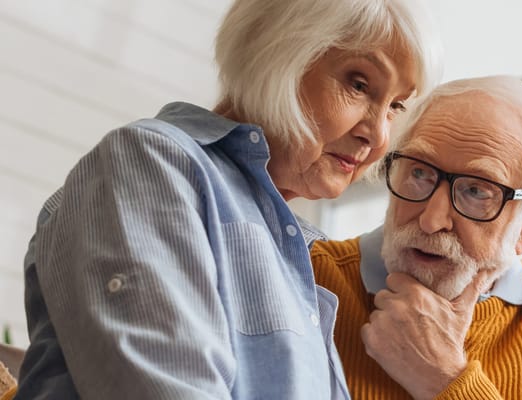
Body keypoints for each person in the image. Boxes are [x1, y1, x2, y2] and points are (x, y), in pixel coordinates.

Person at [16, 0, 441, 398]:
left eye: (395, 107)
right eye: (360, 84)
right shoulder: (153, 162)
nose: (379, 135)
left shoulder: (294, 246)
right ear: (278, 53)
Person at [311, 76, 522, 399]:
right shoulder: (311, 273)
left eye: (477, 191)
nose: (430, 220)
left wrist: (444, 377)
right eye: (419, 173)